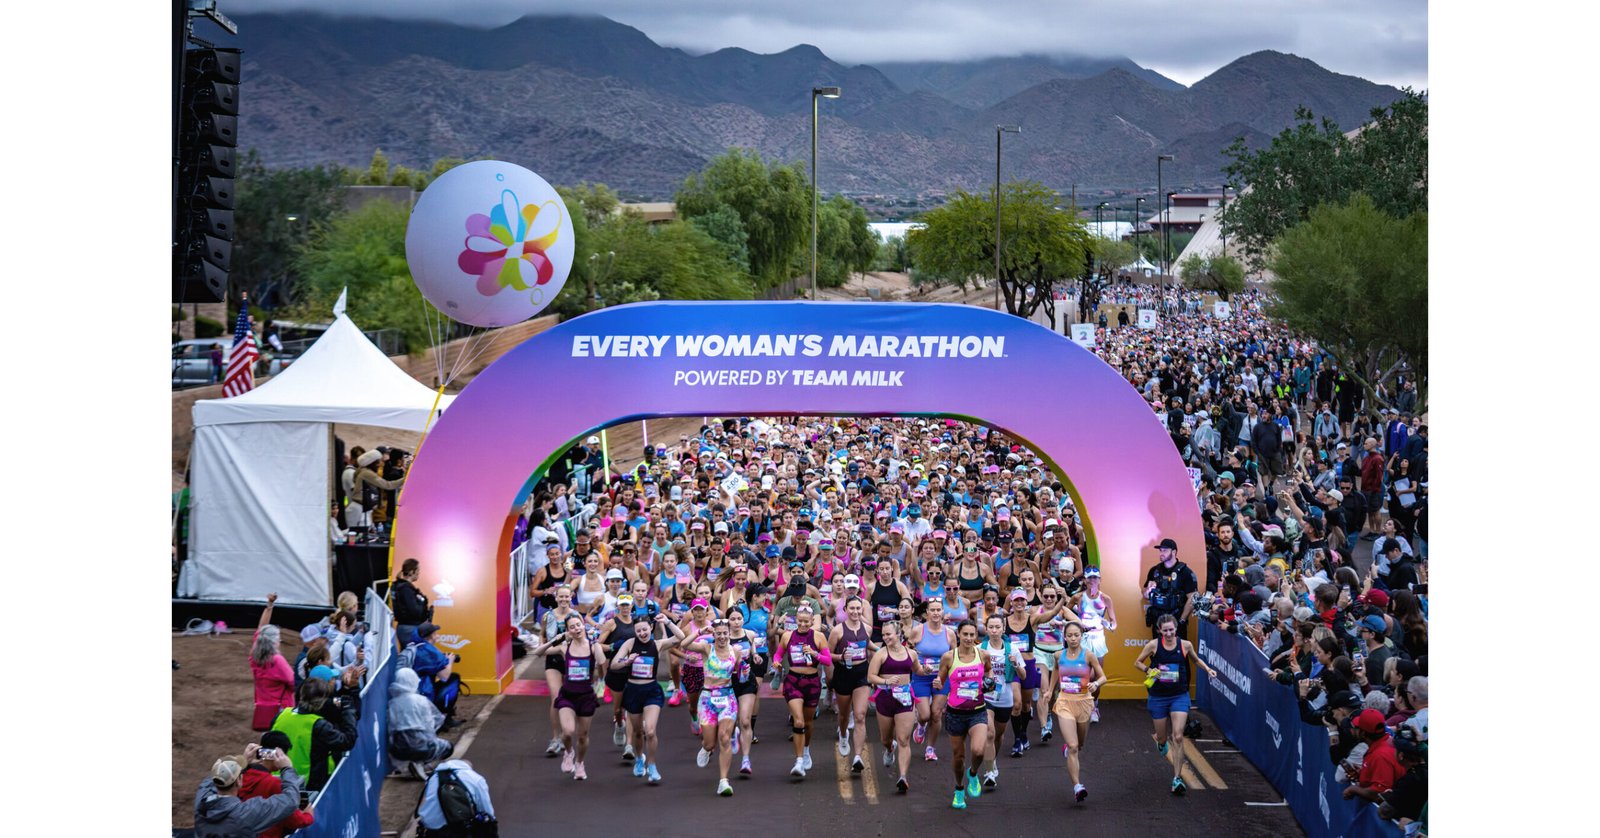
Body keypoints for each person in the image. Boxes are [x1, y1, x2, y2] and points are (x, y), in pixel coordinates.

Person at [1134, 613, 1219, 796]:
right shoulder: (1153, 645)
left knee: (1178, 736)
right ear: (1159, 631)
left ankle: (1177, 779)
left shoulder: (1185, 645)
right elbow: (1137, 663)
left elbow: (1196, 660)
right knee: (1163, 738)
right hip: (1158, 696)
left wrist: (1208, 669)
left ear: (1176, 629)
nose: (1169, 633)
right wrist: (1149, 670)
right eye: (1165, 631)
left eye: (1171, 630)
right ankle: (1161, 740)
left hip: (1179, 695)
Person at [613, 613, 687, 785]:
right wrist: (626, 661)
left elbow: (680, 637)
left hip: (651, 690)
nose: (642, 633)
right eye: (638, 631)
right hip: (633, 690)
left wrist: (667, 621)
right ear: (634, 631)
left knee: (650, 731)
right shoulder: (629, 644)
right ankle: (639, 758)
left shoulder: (657, 644)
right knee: (638, 732)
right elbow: (614, 664)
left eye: (645, 629)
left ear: (651, 628)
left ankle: (652, 765)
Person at [530, 613, 606, 781]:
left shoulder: (593, 646)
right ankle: (569, 753)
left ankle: (580, 763)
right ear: (568, 631)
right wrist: (555, 639)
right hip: (568, 695)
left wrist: (598, 647)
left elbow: (601, 663)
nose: (576, 629)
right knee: (567, 732)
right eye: (572, 627)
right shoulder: (565, 647)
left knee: (582, 735)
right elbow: (538, 652)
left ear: (583, 626)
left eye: (578, 625)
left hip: (586, 695)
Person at [684, 616, 750, 796]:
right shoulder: (707, 648)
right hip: (707, 699)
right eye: (718, 633)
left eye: (725, 633)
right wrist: (699, 632)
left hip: (727, 697)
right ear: (714, 633)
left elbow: (740, 675)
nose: (722, 637)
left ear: (729, 634)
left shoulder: (735, 651)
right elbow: (685, 644)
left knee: (724, 738)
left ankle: (723, 781)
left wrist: (744, 671)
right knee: (710, 743)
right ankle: (706, 748)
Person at [934, 620, 993, 810]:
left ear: (976, 636)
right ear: (958, 634)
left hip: (977, 711)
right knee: (958, 756)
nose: (968, 638)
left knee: (978, 751)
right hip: (955, 713)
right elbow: (941, 680)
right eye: (965, 634)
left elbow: (989, 672)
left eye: (972, 635)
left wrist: (990, 681)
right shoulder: (949, 657)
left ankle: (973, 773)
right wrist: (937, 683)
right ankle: (959, 789)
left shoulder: (983, 655)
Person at [269, 674, 361, 793]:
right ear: (321, 701)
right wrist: (348, 711)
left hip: (279, 780)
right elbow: (347, 741)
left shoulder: (281, 715)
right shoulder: (318, 725)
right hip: (307, 787)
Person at [1050, 621, 1107, 803]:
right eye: (1070, 635)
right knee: (1074, 747)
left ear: (1081, 636)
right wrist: (1050, 691)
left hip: (1083, 702)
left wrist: (1095, 684)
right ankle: (1077, 786)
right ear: (1064, 637)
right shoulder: (1059, 655)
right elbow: (1055, 672)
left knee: (1079, 745)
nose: (1073, 638)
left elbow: (1103, 676)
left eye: (1077, 635)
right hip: (1065, 701)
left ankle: (1070, 747)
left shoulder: (1089, 655)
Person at [867, 620, 927, 794]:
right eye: (884, 634)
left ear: (898, 634)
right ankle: (888, 748)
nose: (885, 637)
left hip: (905, 699)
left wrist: (927, 670)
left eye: (889, 634)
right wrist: (886, 681)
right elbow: (870, 677)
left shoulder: (911, 653)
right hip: (885, 698)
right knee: (886, 738)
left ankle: (903, 777)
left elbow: (918, 670)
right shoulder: (881, 654)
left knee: (903, 739)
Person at [192, 745, 302, 838]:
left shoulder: (201, 802)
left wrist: (241, 763)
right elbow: (291, 801)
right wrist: (287, 769)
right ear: (239, 782)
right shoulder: (246, 813)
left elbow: (208, 783)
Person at [779, 604, 828, 778]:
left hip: (812, 682)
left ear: (812, 621)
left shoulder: (819, 637)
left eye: (806, 622)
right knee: (798, 721)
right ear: (795, 620)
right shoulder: (787, 636)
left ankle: (806, 749)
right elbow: (779, 653)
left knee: (807, 722)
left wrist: (815, 655)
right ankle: (798, 761)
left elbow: (828, 660)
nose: (803, 625)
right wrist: (777, 662)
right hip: (793, 681)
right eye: (800, 621)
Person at [828, 595, 875, 772]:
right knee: (844, 716)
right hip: (843, 673)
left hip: (861, 673)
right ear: (845, 610)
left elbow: (866, 643)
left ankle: (857, 756)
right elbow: (827, 654)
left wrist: (880, 650)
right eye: (852, 608)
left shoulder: (867, 628)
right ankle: (842, 734)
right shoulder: (837, 631)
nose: (855, 612)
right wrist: (840, 657)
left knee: (860, 715)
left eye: (858, 608)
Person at [237, 732, 315, 838]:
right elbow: (293, 820)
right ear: (278, 754)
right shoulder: (273, 784)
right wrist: (308, 815)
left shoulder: (238, 776)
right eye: (284, 755)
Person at [389, 668, 455, 780]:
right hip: (421, 744)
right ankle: (420, 762)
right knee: (448, 747)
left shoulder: (392, 703)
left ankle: (412, 764)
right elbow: (432, 723)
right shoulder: (421, 700)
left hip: (398, 749)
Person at [1070, 567, 1117, 723]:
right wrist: (1075, 623)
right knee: (1083, 674)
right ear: (1085, 580)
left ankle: (1094, 705)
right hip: (1082, 638)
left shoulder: (1106, 599)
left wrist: (1108, 624)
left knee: (1097, 675)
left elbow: (1114, 623)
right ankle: (1083, 704)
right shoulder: (1077, 597)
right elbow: (1065, 612)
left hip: (1098, 639)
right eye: (1089, 578)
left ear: (1100, 579)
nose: (1092, 581)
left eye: (1095, 578)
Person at [415, 759, 497, 837]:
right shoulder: (475, 778)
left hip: (431, 831)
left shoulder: (432, 778)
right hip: (458, 832)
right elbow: (487, 812)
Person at [250, 594, 296, 730]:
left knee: (267, 741)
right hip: (282, 709)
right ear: (274, 642)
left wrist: (269, 605)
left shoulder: (254, 657)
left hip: (263, 707)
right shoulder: (277, 660)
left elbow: (261, 629)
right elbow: (294, 683)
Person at [1341, 708, 1406, 802]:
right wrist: (1364, 775)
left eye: (1355, 728)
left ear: (1363, 733)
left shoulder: (1380, 755)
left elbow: (1380, 794)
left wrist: (1354, 789)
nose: (1352, 730)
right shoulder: (1383, 743)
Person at [1143, 538, 1198, 639]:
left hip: (1176, 621)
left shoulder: (1185, 572)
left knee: (1178, 652)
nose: (1161, 553)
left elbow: (1193, 598)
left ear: (1174, 552)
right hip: (1158, 621)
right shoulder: (1155, 571)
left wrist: (1182, 620)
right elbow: (1145, 595)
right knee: (1158, 652)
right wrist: (1149, 590)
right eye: (1160, 550)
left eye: (1165, 550)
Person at [392, 558, 433, 641]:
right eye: (418, 570)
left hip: (404, 627)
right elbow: (415, 611)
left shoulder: (398, 586)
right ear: (411, 572)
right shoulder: (405, 589)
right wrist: (423, 602)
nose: (419, 573)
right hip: (410, 628)